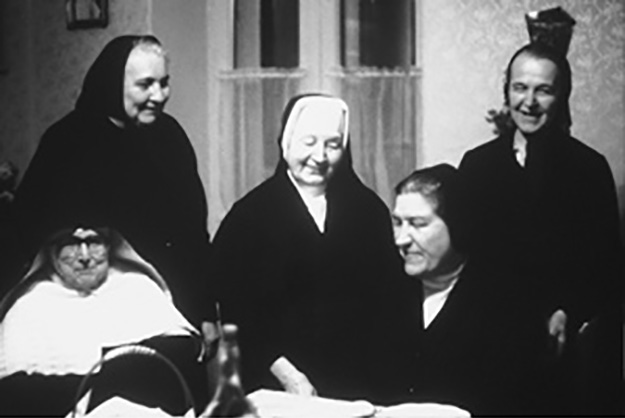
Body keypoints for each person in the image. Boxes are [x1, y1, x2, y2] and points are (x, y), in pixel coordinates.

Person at [457, 42, 624, 414]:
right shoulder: (477, 166)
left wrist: (569, 310)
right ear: (507, 92)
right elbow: (464, 257)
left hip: (560, 343)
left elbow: (606, 266)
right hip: (487, 341)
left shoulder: (589, 169)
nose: (529, 102)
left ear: (562, 96)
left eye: (543, 90)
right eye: (520, 88)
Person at [210, 93, 406, 402]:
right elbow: (239, 310)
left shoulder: (368, 211)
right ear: (286, 143)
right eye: (309, 142)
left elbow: (390, 304)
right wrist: (288, 375)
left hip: (358, 384)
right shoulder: (250, 215)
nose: (320, 156)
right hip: (276, 381)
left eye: (333, 144)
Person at [10, 35, 212, 325]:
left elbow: (193, 234)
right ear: (112, 83)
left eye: (164, 82)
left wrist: (204, 311)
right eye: (145, 85)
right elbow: (33, 232)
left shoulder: (171, 136)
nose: (159, 95)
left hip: (173, 306)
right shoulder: (65, 141)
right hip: (91, 311)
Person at [0, 226, 209, 416]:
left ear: (109, 246)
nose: (84, 256)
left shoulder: (139, 288)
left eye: (93, 242)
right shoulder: (29, 306)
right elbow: (18, 399)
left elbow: (181, 366)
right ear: (52, 252)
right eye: (71, 244)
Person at [389, 164, 542, 416]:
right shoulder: (385, 293)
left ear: (457, 225)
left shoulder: (506, 307)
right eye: (397, 223)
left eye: (418, 224)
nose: (401, 239)